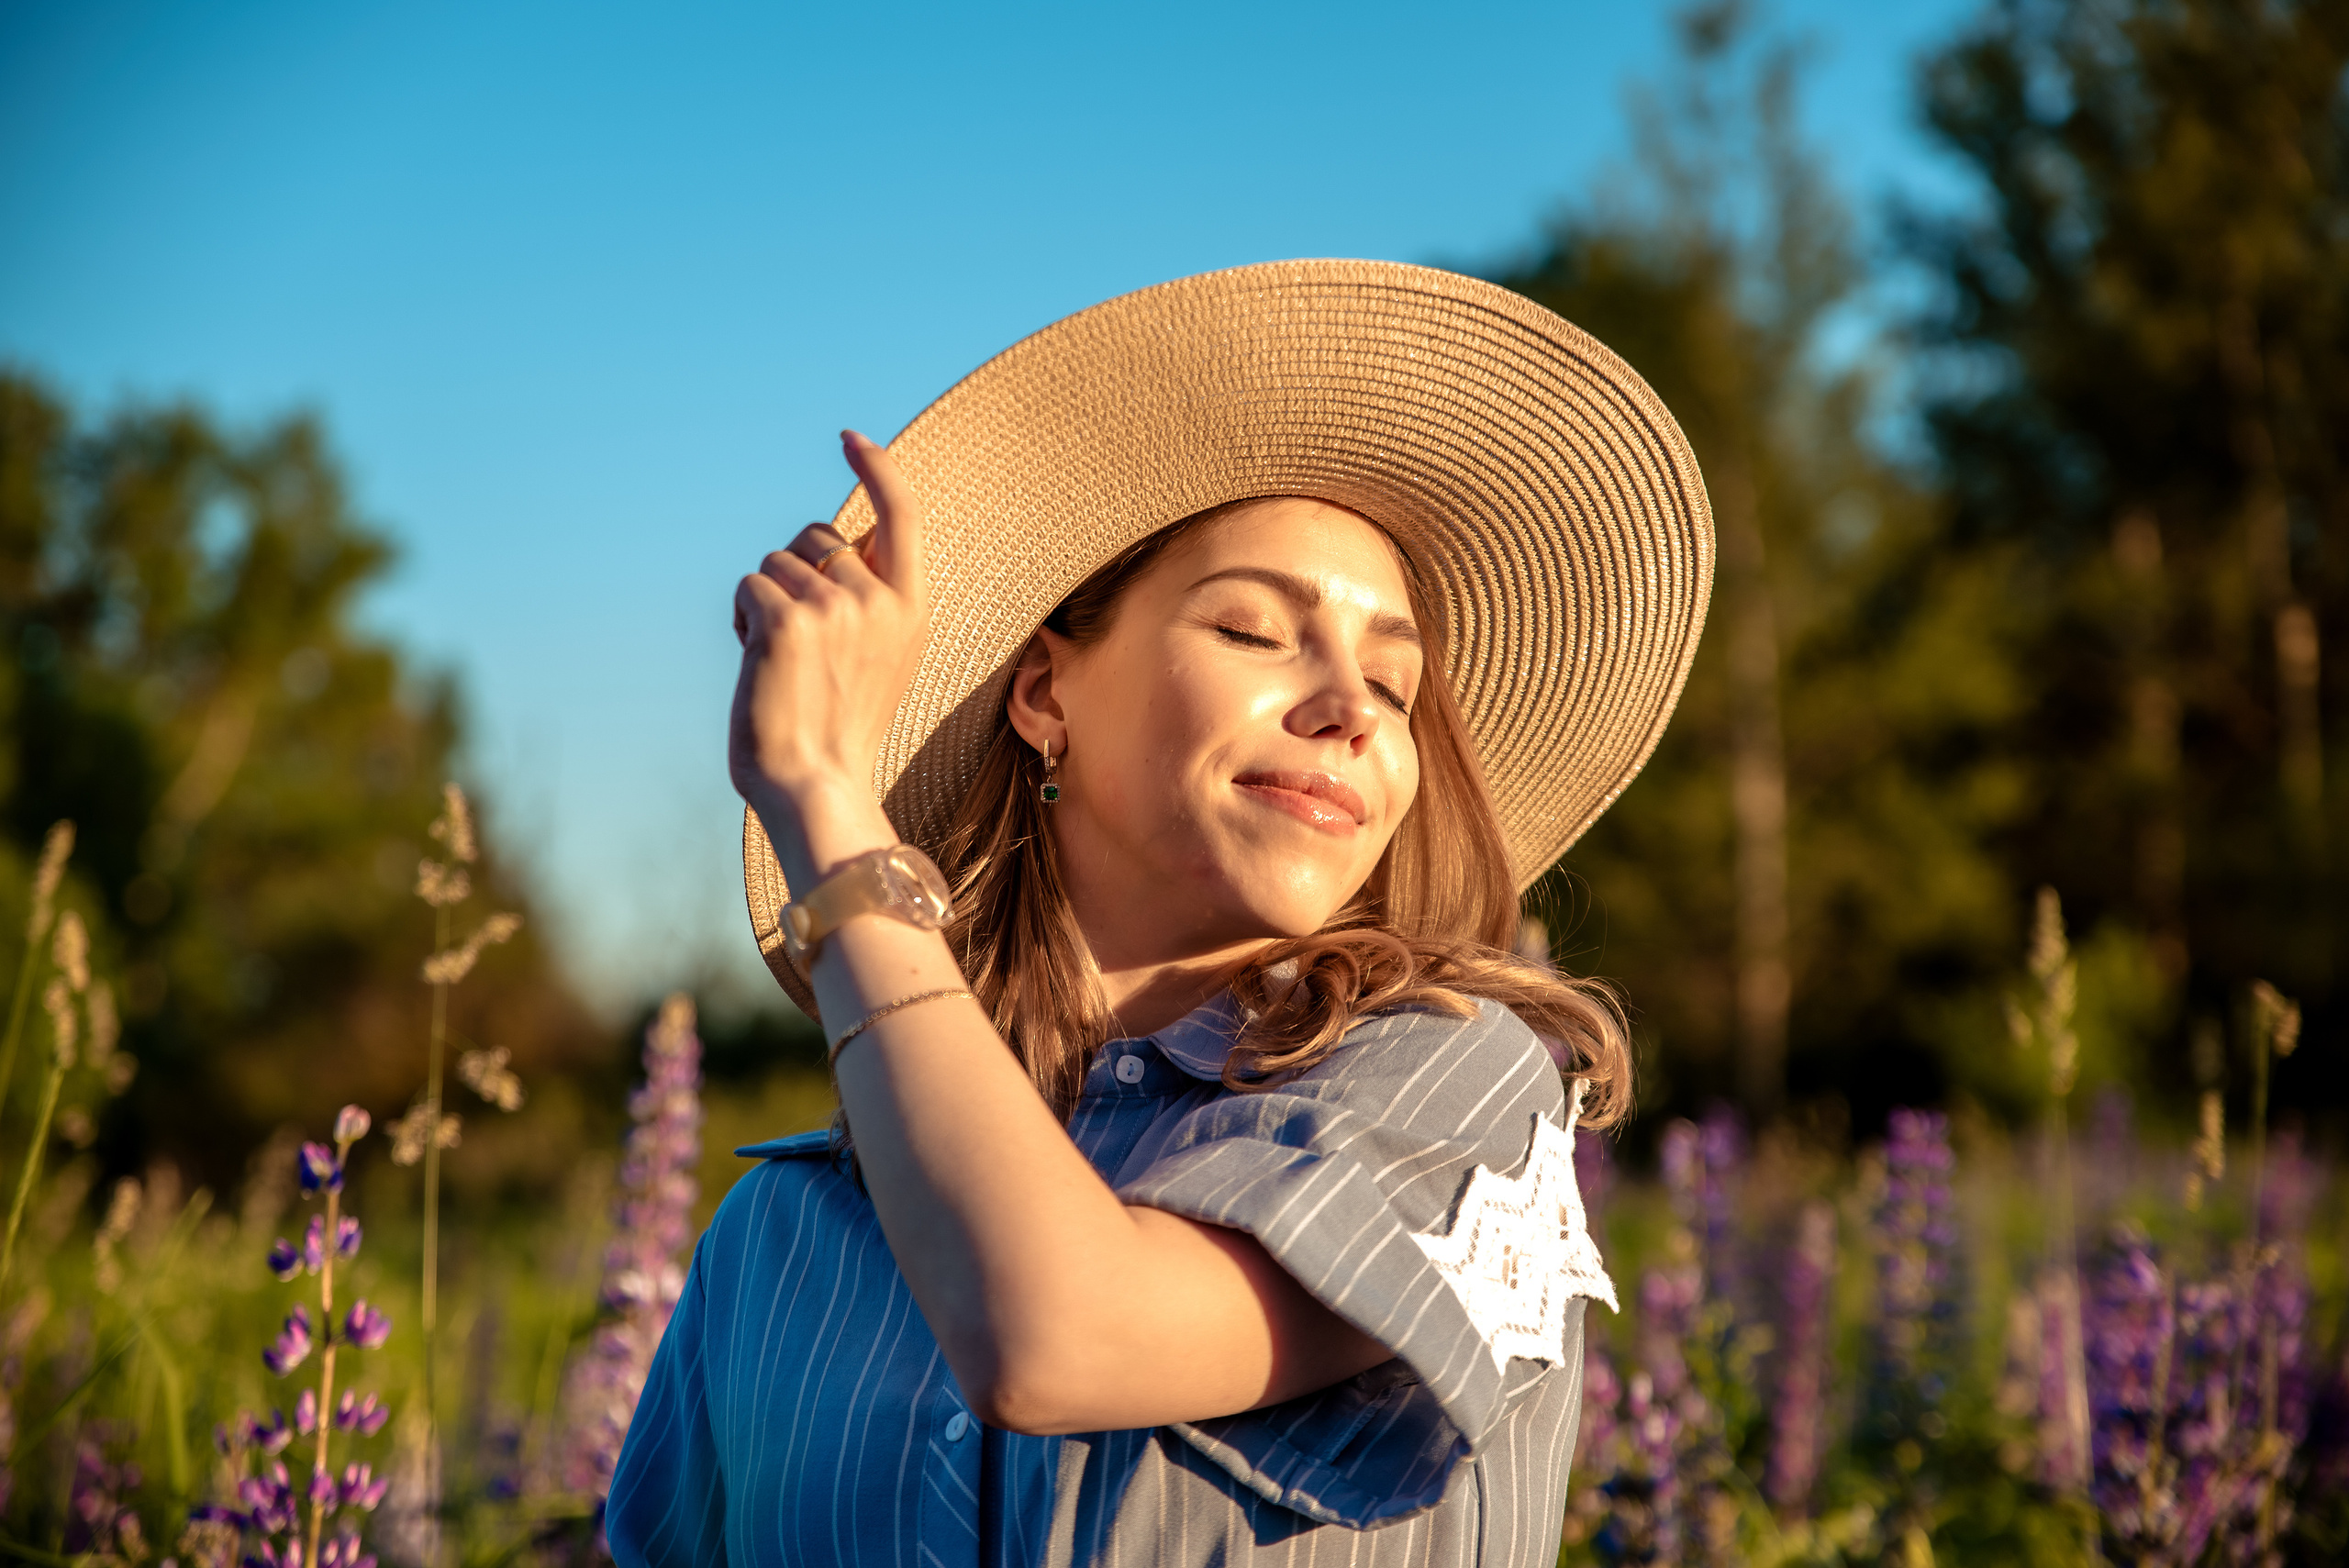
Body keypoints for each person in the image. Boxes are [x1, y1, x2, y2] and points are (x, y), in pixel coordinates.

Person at [607, 260, 1713, 1566]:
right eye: (1254, 629)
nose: (1352, 707)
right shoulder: (780, 1239)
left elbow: (1053, 1331)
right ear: (1043, 695)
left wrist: (826, 806)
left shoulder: (1451, 1090)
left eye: (1397, 685)